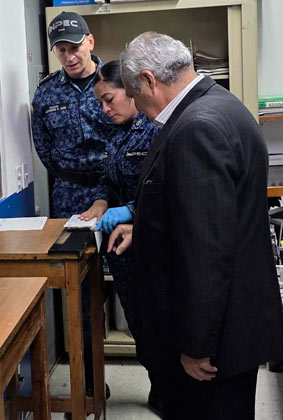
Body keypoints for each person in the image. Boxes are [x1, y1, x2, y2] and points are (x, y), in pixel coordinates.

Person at [106, 32, 283, 420]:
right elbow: (210, 218)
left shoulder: (195, 129)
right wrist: (145, 228)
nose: (139, 109)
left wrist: (195, 345)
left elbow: (206, 252)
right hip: (230, 326)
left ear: (150, 80)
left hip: (211, 347)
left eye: (135, 96)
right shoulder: (222, 105)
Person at [30, 11, 116, 402]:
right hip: (70, 199)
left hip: (116, 193)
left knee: (134, 284)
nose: (69, 56)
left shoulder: (115, 82)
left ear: (90, 42)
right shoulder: (46, 94)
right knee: (78, 292)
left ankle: (161, 382)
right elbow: (45, 149)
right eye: (61, 50)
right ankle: (90, 382)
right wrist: (73, 176)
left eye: (75, 47)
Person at [77, 60, 162, 416]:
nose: (104, 109)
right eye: (99, 102)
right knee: (140, 325)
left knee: (161, 325)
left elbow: (168, 190)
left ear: (130, 91)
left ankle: (173, 393)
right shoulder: (116, 133)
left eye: (109, 99)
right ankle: (160, 388)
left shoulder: (157, 130)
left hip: (155, 244)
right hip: (122, 249)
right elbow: (109, 179)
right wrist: (101, 201)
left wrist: (130, 210)